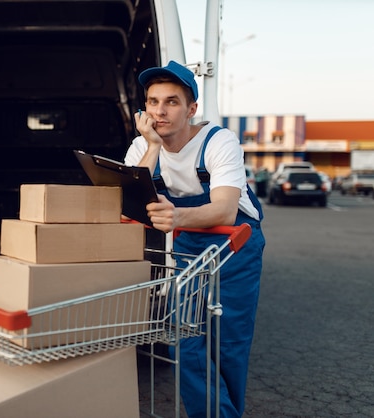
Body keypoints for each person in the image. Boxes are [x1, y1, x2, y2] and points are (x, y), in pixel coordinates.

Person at [124, 60, 265, 418]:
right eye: (153, 101)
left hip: (235, 246)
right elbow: (132, 204)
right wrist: (152, 147)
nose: (160, 111)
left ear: (191, 109)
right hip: (188, 246)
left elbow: (225, 210)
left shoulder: (219, 142)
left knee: (227, 343)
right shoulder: (141, 150)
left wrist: (177, 216)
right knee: (185, 339)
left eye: (172, 102)